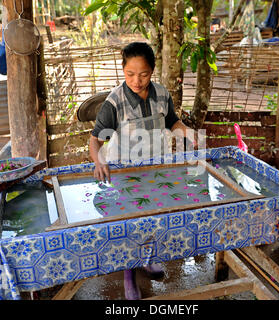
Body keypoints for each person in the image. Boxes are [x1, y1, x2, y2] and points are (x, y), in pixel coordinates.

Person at [89, 42, 200, 300]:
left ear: (152, 70)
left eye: (144, 74)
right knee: (130, 223)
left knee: (154, 218)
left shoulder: (162, 94)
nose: (136, 81)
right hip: (125, 173)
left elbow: (172, 121)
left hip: (157, 168)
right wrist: (98, 161)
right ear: (123, 71)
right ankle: (129, 275)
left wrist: (188, 134)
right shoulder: (114, 101)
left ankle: (148, 260)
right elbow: (95, 139)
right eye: (130, 74)